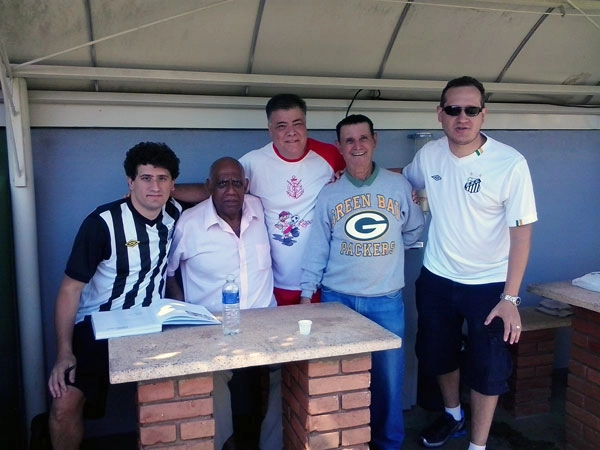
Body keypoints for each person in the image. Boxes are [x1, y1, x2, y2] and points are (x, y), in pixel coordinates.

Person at [402, 76, 538, 450]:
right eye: (453, 109)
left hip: (490, 286)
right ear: (440, 114)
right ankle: (453, 415)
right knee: (437, 354)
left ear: (483, 114)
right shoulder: (429, 155)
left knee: (488, 368)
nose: (462, 117)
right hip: (437, 279)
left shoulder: (510, 163)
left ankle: (478, 446)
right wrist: (355, 176)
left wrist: (510, 299)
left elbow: (522, 233)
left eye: (471, 110)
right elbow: (403, 181)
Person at [299, 114, 425, 450]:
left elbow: (414, 229)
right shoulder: (330, 194)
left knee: (388, 380)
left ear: (375, 140)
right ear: (340, 147)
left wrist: (389, 250)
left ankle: (388, 443)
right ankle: (344, 442)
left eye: (363, 138)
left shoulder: (398, 186)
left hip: (385, 301)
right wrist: (307, 292)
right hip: (337, 301)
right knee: (338, 379)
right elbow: (317, 248)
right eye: (349, 140)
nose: (357, 146)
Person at [47, 142, 182, 450]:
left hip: (152, 325)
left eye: (162, 178)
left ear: (173, 184)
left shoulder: (174, 211)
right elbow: (70, 289)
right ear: (130, 182)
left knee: (172, 396)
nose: (154, 186)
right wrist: (64, 352)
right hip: (98, 326)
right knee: (63, 403)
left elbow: (211, 189)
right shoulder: (102, 223)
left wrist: (179, 189)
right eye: (145, 178)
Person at [174, 93, 346, 306]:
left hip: (321, 281)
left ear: (306, 124)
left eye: (297, 123)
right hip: (273, 286)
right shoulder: (252, 163)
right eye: (281, 126)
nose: (291, 132)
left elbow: (358, 181)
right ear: (270, 129)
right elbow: (219, 188)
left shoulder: (329, 156)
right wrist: (163, 191)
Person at [166, 156, 278, 449]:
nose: (230, 190)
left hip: (267, 326)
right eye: (221, 184)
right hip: (212, 329)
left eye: (236, 183)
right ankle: (223, 444)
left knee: (296, 369)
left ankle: (273, 444)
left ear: (246, 186)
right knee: (211, 377)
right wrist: (183, 311)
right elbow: (168, 273)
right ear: (209, 187)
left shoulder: (261, 209)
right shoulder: (189, 225)